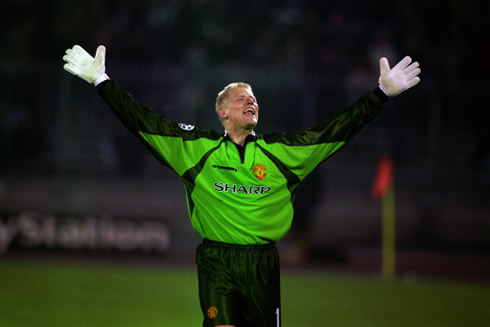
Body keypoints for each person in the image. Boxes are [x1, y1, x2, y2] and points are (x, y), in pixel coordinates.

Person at [62, 44, 420, 327]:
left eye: (253, 98)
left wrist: (380, 95)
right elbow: (142, 120)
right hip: (217, 260)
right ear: (222, 112)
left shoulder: (282, 153)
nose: (250, 100)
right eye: (240, 97)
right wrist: (101, 82)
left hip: (262, 263)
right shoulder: (195, 151)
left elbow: (338, 129)